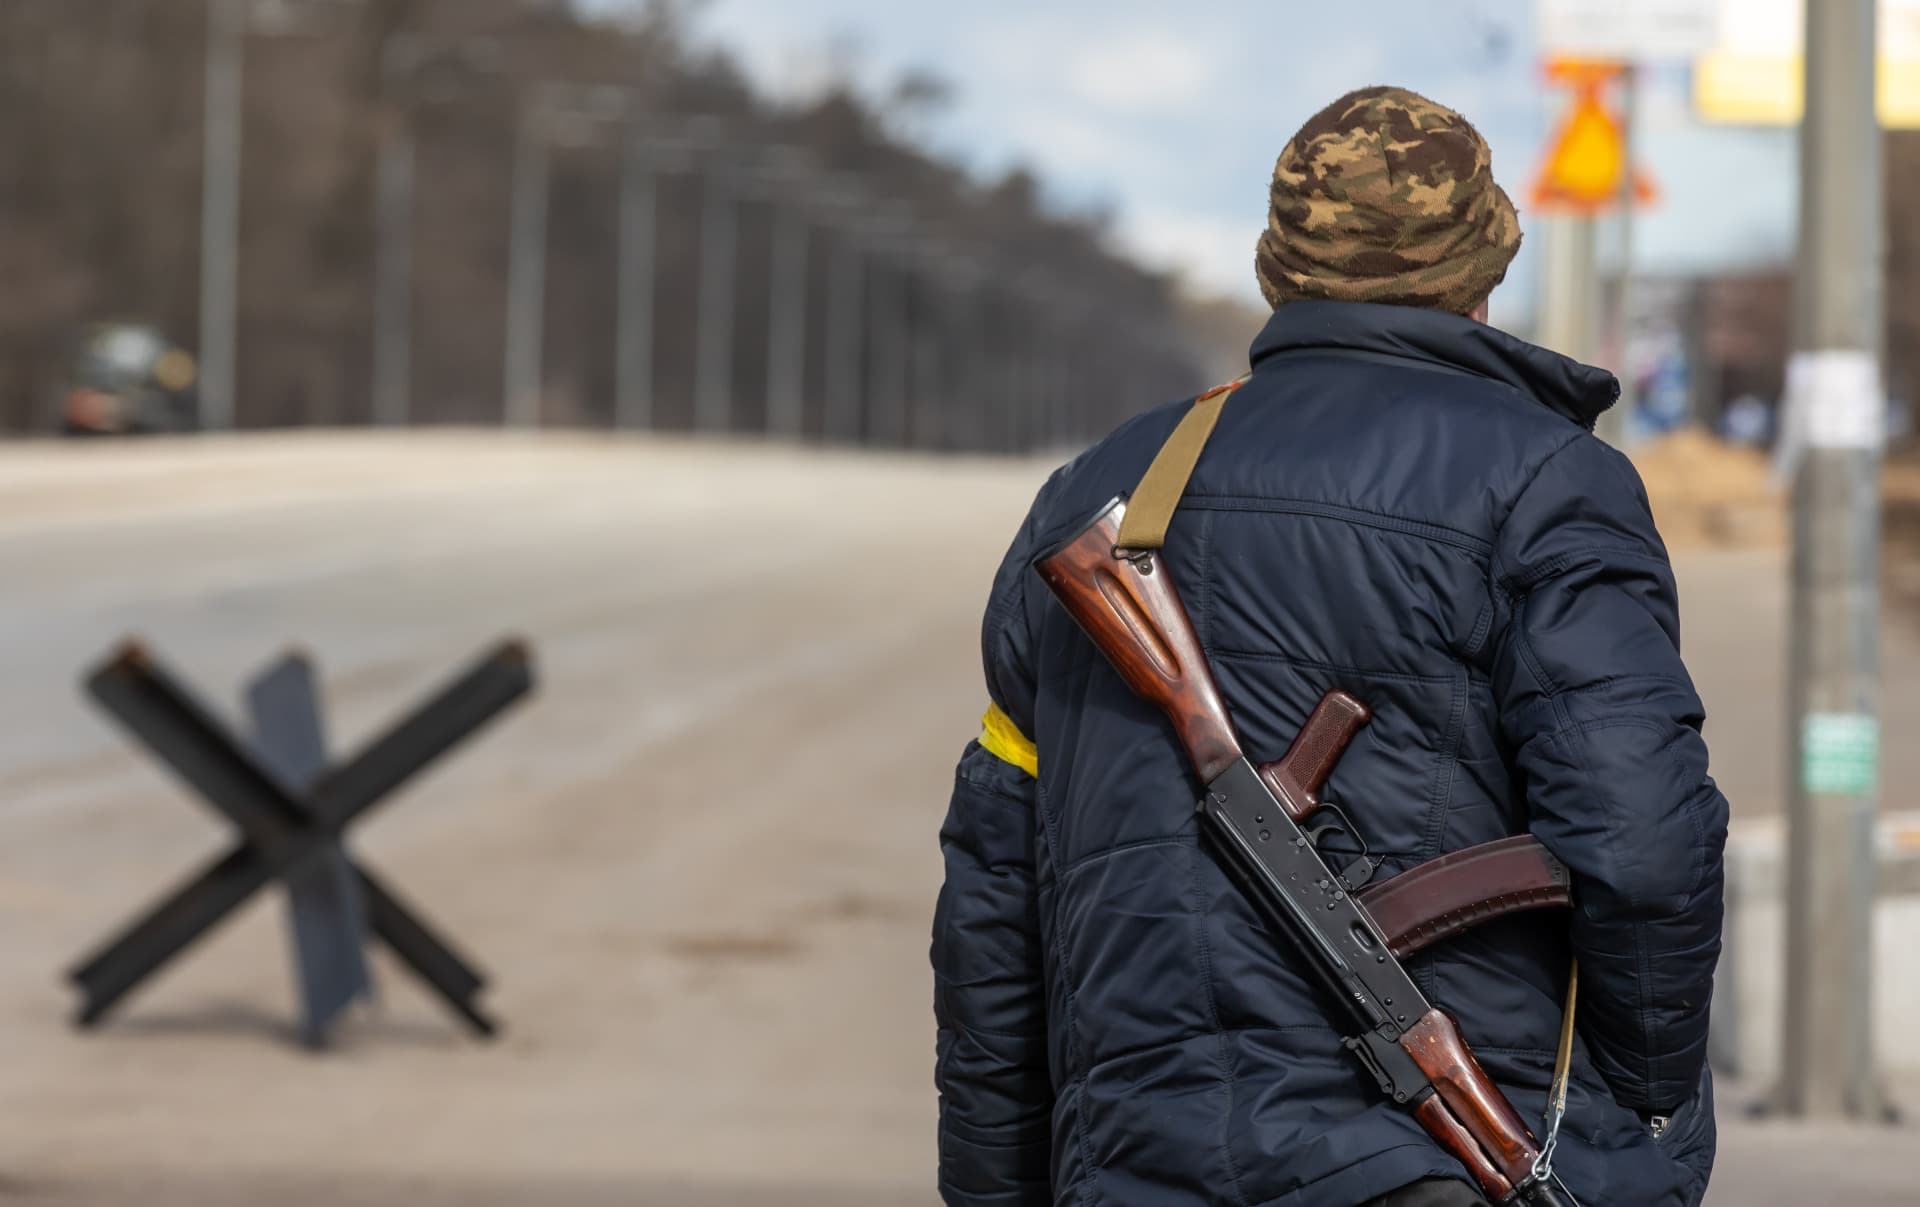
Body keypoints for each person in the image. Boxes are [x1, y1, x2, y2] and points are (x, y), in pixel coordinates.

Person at [931, 86, 1726, 1207]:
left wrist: (998, 1184)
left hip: (1132, 1172)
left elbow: (995, 900)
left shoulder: (1109, 490)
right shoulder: (1548, 482)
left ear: (1278, 267)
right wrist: (1634, 1127)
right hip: (1436, 1171)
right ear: (1486, 268)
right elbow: (1643, 844)